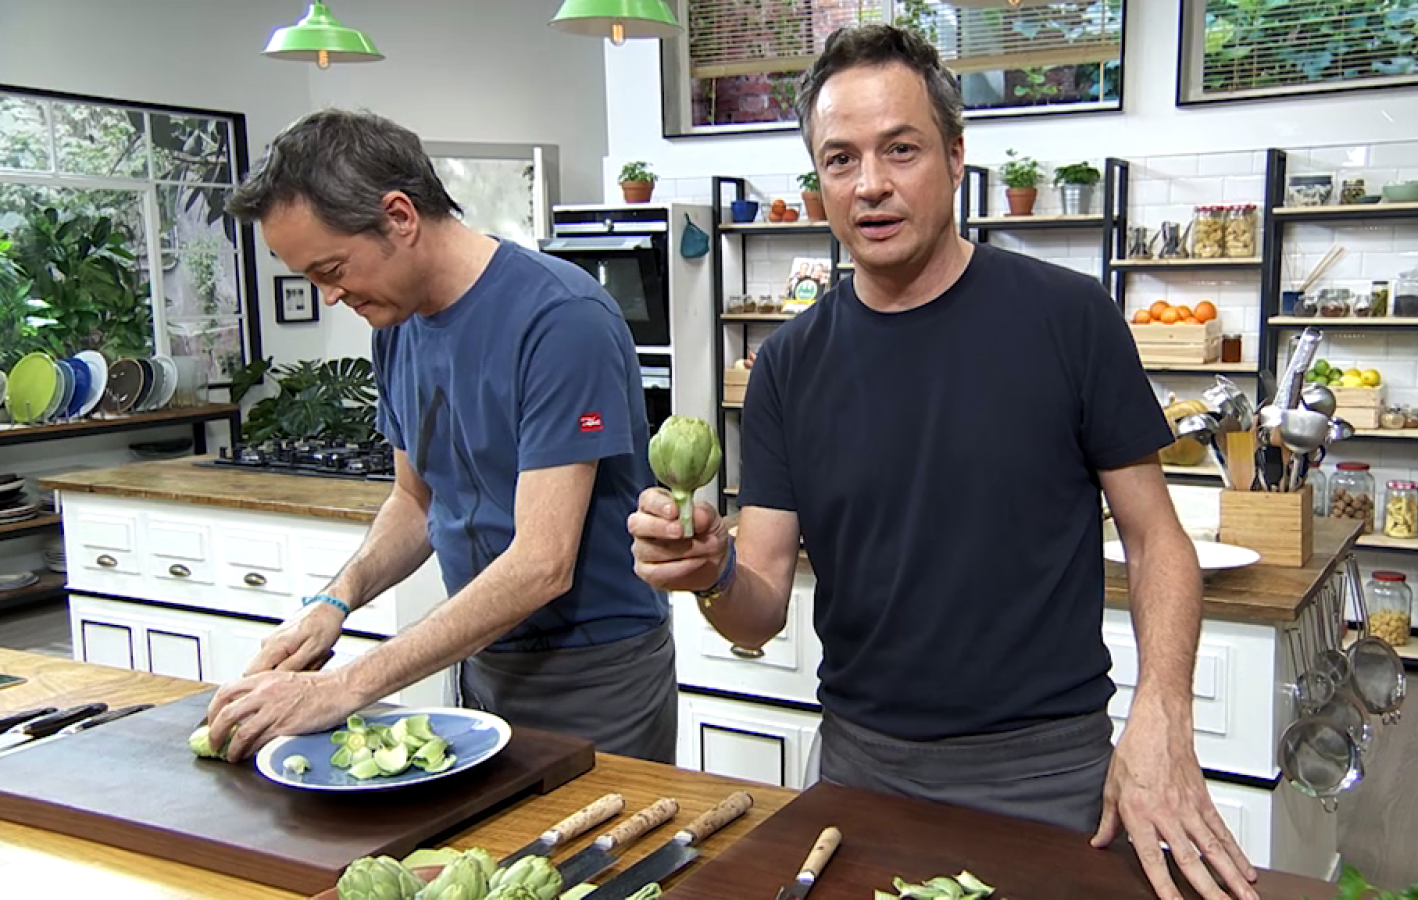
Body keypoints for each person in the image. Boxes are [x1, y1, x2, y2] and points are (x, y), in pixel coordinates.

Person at [628, 23, 1259, 900]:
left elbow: (1157, 540)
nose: (871, 184)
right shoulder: (787, 366)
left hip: (1048, 775)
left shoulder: (1069, 319)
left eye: (901, 149)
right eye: (840, 159)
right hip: (858, 772)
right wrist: (710, 573)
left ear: (956, 157)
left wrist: (1162, 713)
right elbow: (759, 608)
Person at [206, 109, 675, 765]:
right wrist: (332, 602)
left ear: (399, 216)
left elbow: (542, 564)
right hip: (481, 660)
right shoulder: (396, 325)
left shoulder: (560, 318)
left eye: (331, 268)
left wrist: (343, 687)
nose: (329, 295)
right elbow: (415, 500)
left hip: (596, 676)